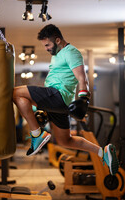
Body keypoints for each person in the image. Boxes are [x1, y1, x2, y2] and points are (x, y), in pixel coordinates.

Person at [13, 24, 119, 175]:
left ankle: (36, 134)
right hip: (59, 103)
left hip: (57, 95)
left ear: (57, 40)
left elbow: (82, 78)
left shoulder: (71, 53)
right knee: (65, 140)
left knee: (16, 93)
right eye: (44, 46)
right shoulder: (57, 55)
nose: (46, 49)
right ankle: (103, 152)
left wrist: (84, 98)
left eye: (48, 45)